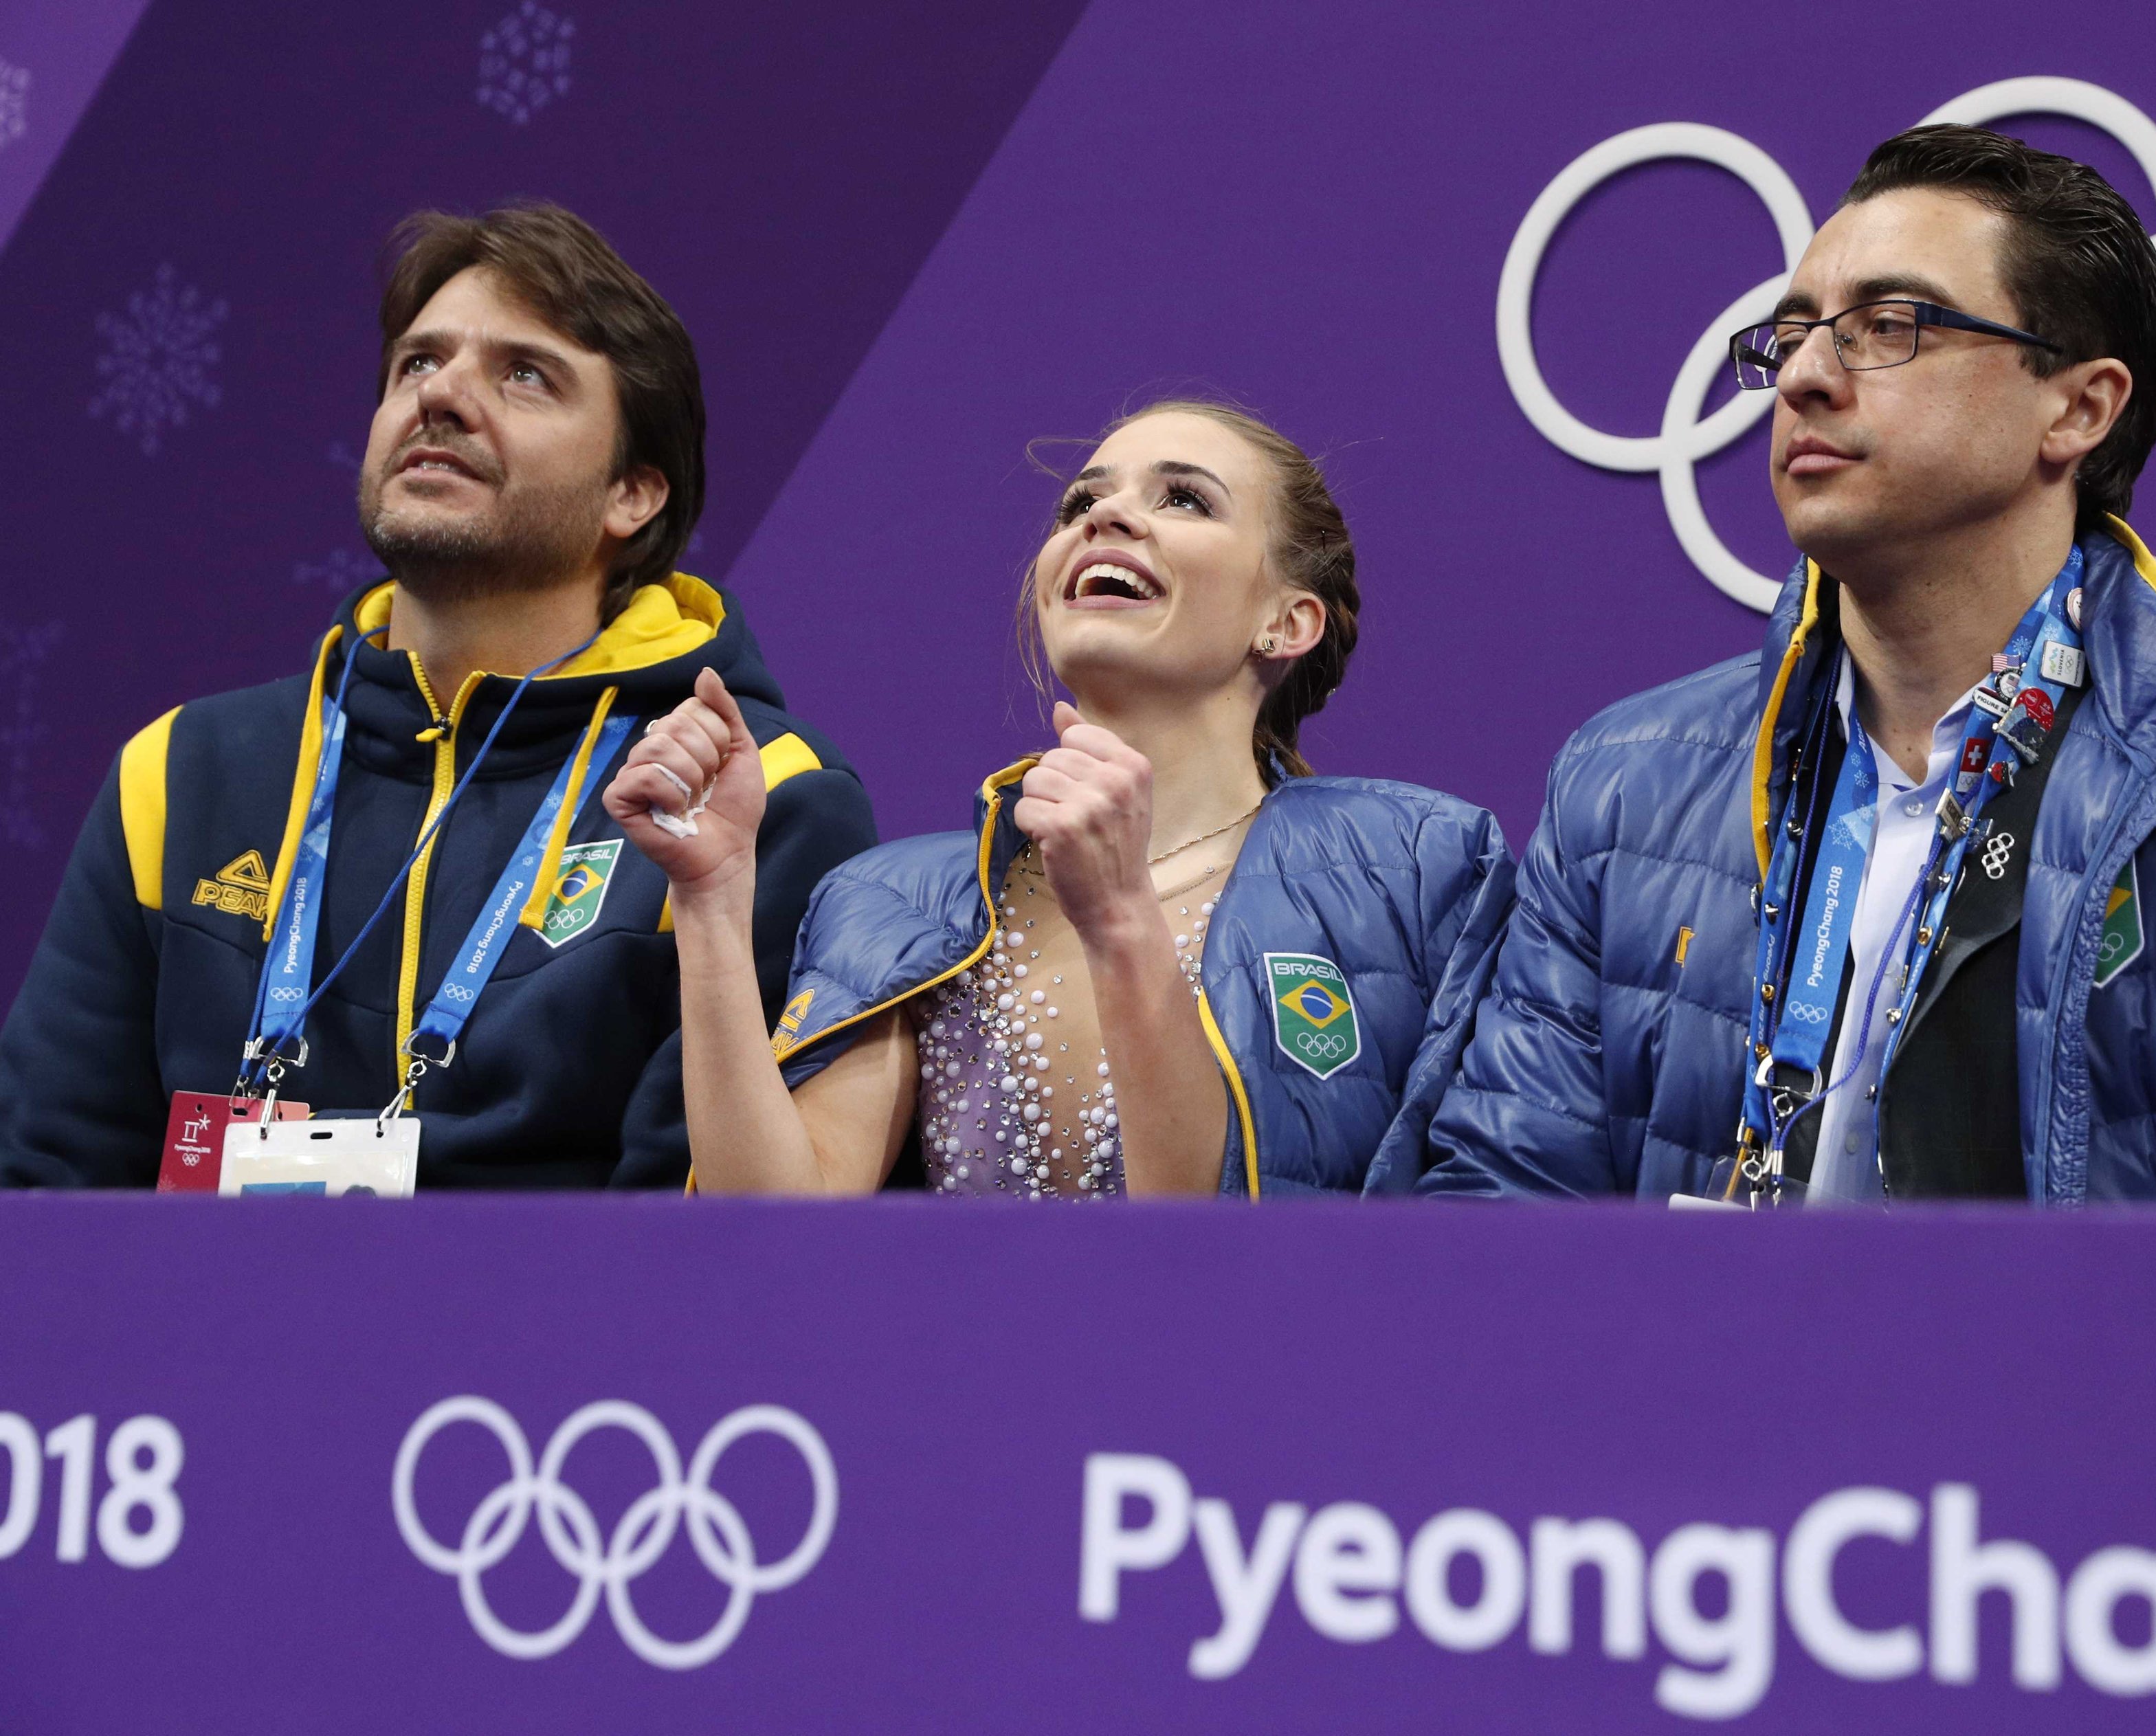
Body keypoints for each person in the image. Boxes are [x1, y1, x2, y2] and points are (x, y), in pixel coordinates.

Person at [1421, 126, 2156, 1207]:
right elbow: (1499, 1221)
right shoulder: (1623, 782)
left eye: (1886, 327)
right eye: (1791, 335)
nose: (1800, 376)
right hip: (1695, 1372)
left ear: (2078, 407)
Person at [0, 202, 874, 1189]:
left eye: (524, 374)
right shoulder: (182, 771)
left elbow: (704, 1244)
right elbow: (43, 1189)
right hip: (195, 1338)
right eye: (418, 363)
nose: (442, 396)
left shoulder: (755, 794)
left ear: (633, 492)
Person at [610, 399, 1513, 1197]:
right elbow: (774, 1245)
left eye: (1184, 497)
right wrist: (713, 902)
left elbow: (1209, 1269)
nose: (1107, 515)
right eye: (1082, 503)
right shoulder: (886, 900)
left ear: (1288, 621)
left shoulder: (1416, 863)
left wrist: (1123, 917)